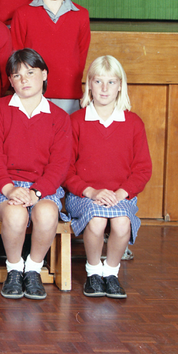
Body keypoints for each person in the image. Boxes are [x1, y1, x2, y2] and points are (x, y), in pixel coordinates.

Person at [0, 49, 73, 301]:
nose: (24, 80)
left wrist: (36, 192)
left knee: (46, 213)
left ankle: (33, 269)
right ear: (10, 81)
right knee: (14, 213)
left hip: (43, 187)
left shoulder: (59, 117)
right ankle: (14, 269)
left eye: (30, 73)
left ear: (44, 74)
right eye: (17, 75)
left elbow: (59, 165)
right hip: (3, 185)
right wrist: (10, 189)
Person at [66, 56, 152, 299]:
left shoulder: (133, 123)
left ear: (120, 86)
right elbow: (66, 169)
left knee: (122, 222)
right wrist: (91, 192)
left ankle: (111, 273)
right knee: (97, 221)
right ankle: (93, 272)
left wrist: (121, 193)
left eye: (111, 82)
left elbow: (143, 169)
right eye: (98, 81)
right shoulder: (76, 122)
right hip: (83, 194)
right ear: (89, 85)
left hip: (120, 195)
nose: (105, 88)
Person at [10, 0, 91, 114]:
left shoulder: (81, 15)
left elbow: (80, 58)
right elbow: (17, 57)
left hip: (69, 98)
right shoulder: (23, 14)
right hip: (33, 96)